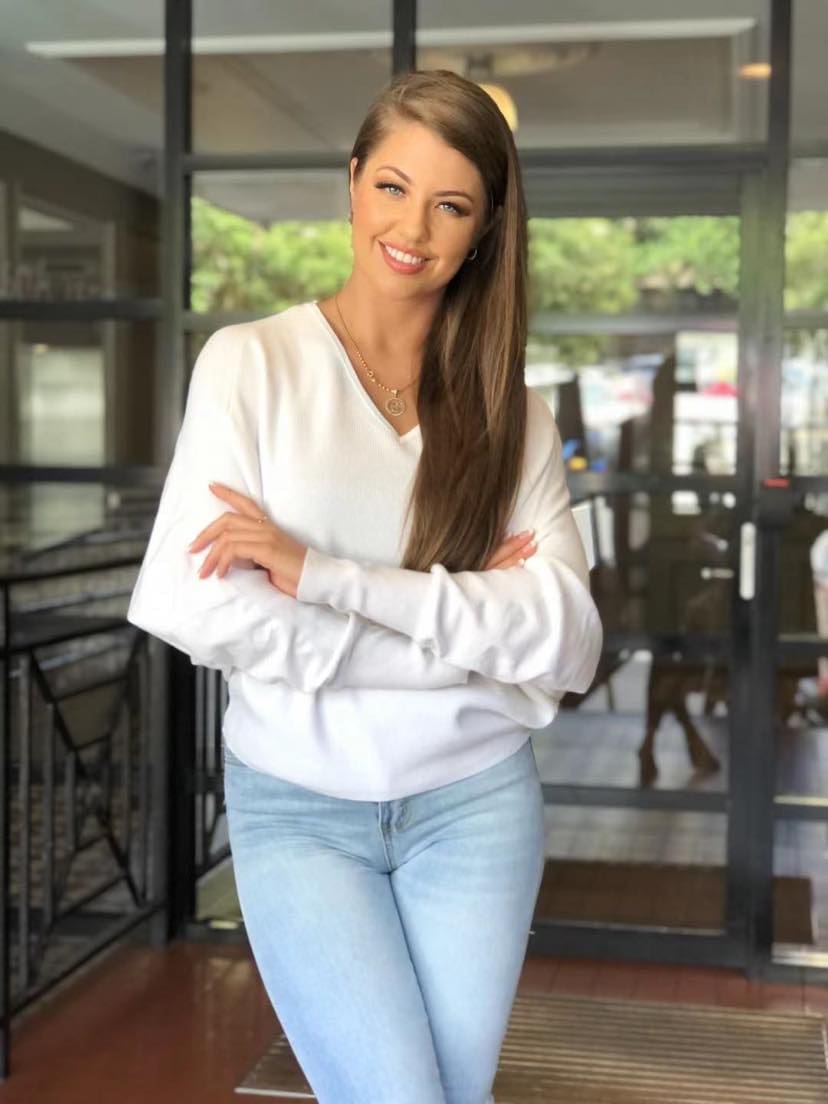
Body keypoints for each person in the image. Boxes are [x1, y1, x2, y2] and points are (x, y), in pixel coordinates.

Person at [127, 68, 602, 1104]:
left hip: (477, 806)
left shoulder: (513, 417)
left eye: (451, 205)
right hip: (300, 809)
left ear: (484, 230)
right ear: (352, 184)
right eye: (392, 187)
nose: (412, 228)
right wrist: (462, 638)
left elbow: (567, 640)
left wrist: (323, 580)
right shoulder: (251, 366)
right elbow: (190, 601)